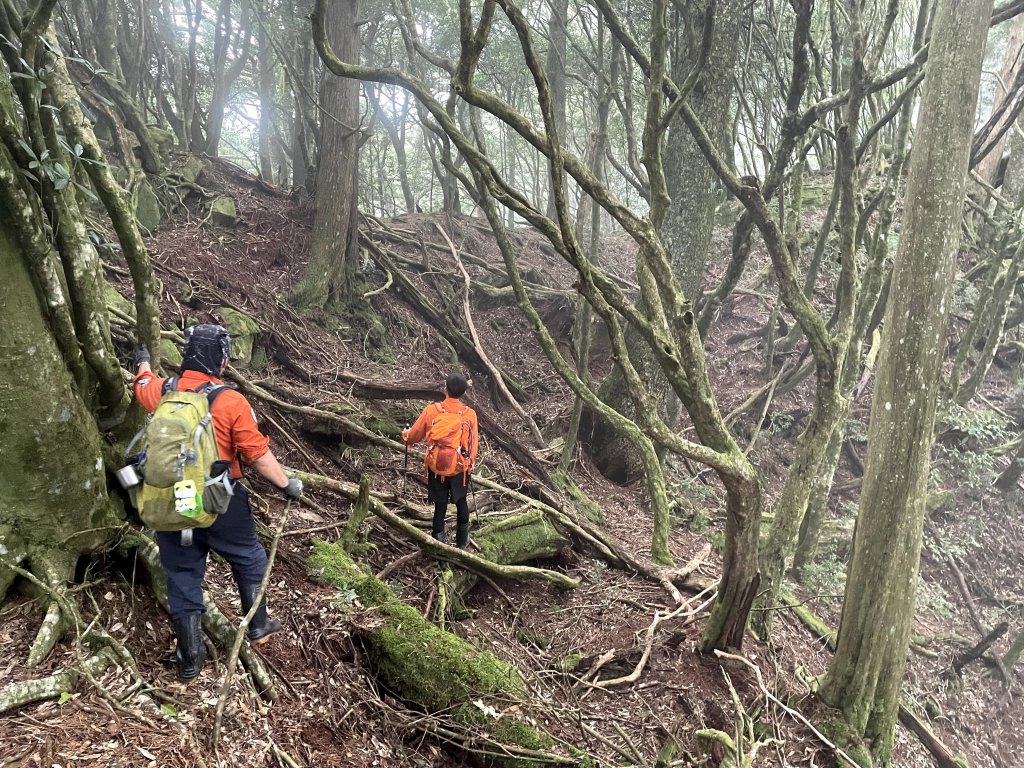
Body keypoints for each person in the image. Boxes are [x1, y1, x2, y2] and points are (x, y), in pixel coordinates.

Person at [133, 324, 302, 680]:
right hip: (218, 501)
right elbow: (256, 454)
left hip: (172, 503)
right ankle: (258, 624)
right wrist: (287, 485)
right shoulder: (229, 400)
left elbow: (141, 388)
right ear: (222, 362)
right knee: (250, 557)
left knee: (181, 574)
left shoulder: (164, 390)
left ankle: (189, 658)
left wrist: (144, 364)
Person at [402, 372, 479, 548]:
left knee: (440, 505)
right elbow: (473, 443)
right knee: (461, 502)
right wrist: (470, 463)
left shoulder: (432, 411)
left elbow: (414, 435)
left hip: (436, 465)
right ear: (463, 393)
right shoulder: (470, 415)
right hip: (460, 467)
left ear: (445, 389)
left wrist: (405, 435)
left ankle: (438, 544)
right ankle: (462, 541)